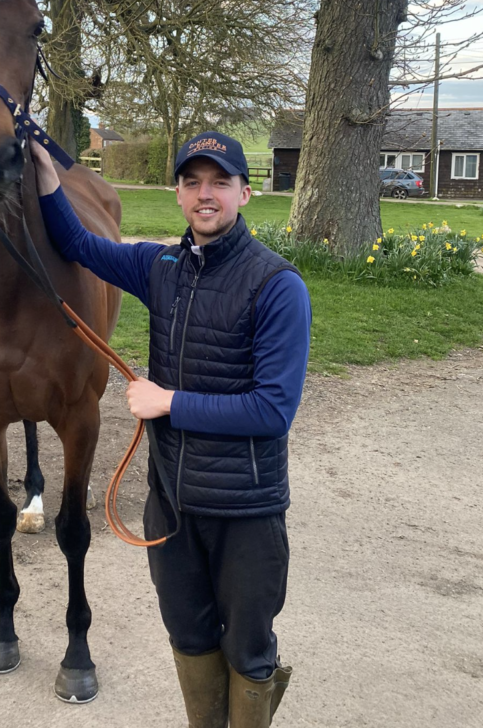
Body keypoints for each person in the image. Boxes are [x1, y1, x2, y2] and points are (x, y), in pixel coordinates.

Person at [30, 131, 311, 728]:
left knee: (248, 651)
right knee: (189, 636)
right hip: (172, 508)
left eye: (219, 182)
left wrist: (167, 402)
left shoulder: (278, 285)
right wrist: (48, 176)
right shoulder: (160, 267)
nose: (204, 194)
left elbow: (272, 410)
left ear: (245, 192)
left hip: (245, 513)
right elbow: (78, 243)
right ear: (177, 192)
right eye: (192, 182)